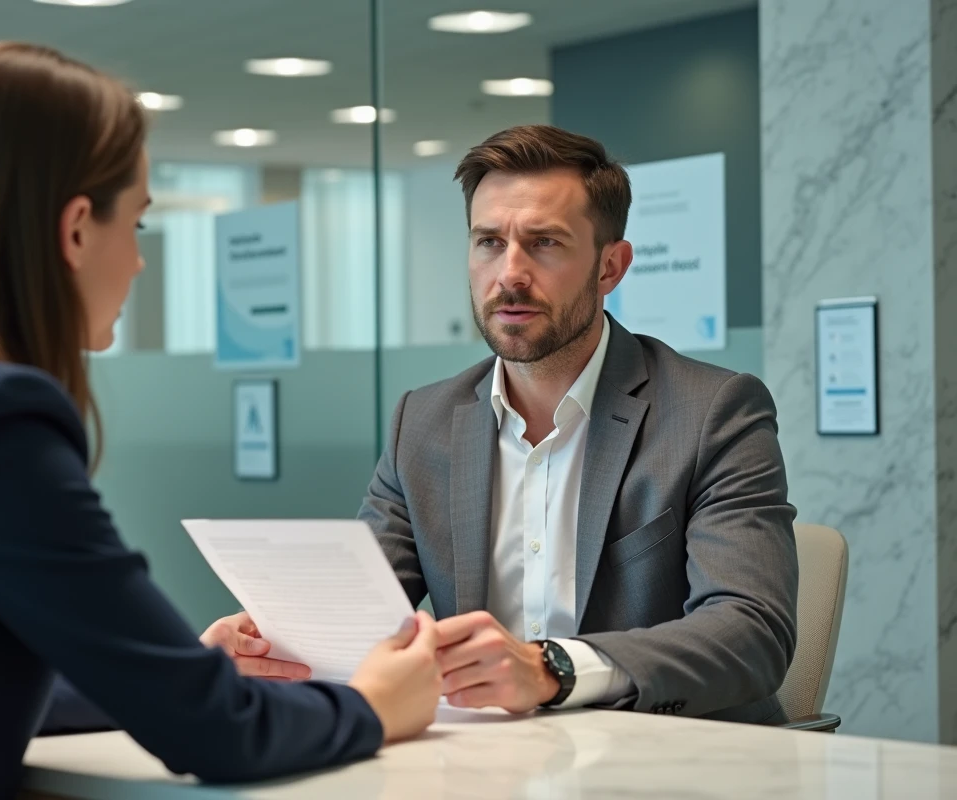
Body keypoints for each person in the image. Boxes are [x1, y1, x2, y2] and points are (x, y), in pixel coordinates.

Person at [0, 42, 442, 800]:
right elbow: (217, 736)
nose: (140, 264)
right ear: (77, 228)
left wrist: (176, 672)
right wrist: (372, 705)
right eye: (139, 226)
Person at [208, 124, 799, 725]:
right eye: (489, 242)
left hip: (671, 763)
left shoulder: (714, 411)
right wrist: (268, 639)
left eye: (544, 243)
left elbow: (750, 631)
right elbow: (358, 610)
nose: (510, 273)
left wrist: (552, 670)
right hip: (487, 762)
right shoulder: (425, 422)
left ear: (610, 267)